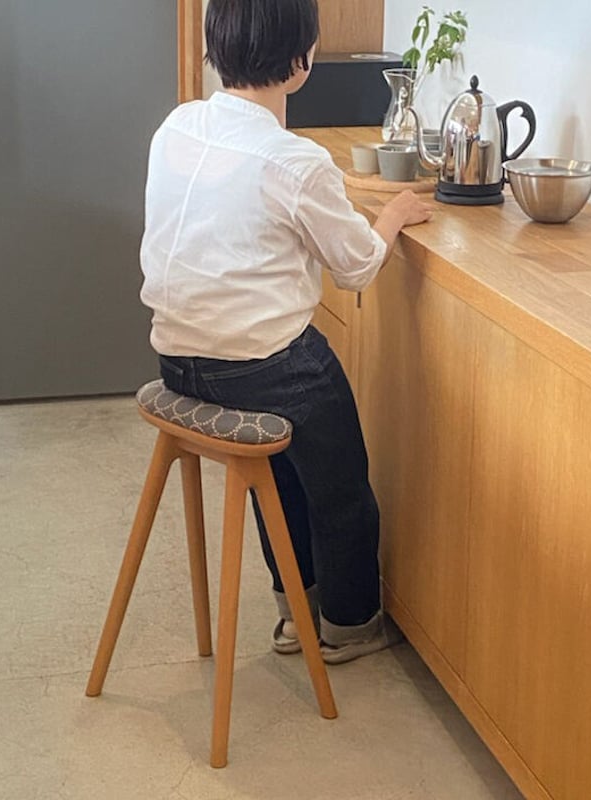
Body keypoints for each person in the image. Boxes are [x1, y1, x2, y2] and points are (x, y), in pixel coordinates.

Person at [139, 0, 433, 664]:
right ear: (301, 61)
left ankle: (295, 608)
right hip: (259, 370)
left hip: (176, 360)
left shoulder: (177, 126)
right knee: (340, 484)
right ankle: (350, 624)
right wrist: (393, 215)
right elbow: (356, 266)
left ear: (216, 46)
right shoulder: (294, 161)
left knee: (285, 468)